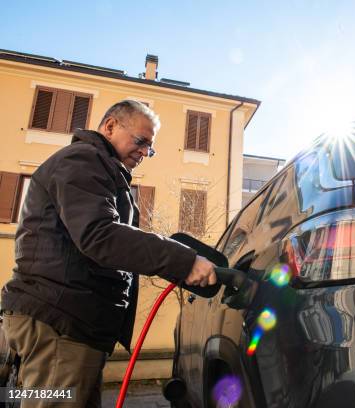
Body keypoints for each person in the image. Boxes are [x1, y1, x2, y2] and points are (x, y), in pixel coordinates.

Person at [0, 100, 217, 407]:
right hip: (61, 325)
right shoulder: (83, 160)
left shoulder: (100, 169)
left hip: (65, 323)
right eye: (141, 142)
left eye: (149, 148)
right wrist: (185, 261)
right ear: (110, 126)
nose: (144, 153)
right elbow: (100, 235)